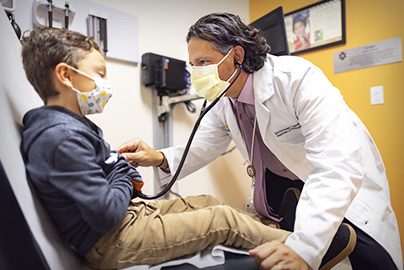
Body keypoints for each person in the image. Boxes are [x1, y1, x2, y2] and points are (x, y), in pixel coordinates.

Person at [117, 13, 403, 270]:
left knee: (370, 258)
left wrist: (305, 249)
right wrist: (160, 158)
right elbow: (205, 144)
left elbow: (336, 165)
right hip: (284, 189)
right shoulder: (224, 98)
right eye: (193, 65)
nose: (197, 73)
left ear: (237, 55)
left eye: (203, 62)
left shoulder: (296, 79)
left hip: (341, 187)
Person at [20, 27, 305, 270]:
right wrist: (121, 174)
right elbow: (107, 212)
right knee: (224, 220)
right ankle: (307, 251)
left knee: (207, 201)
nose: (105, 83)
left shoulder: (72, 125)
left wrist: (121, 170)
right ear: (66, 76)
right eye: (99, 73)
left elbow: (110, 178)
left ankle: (275, 232)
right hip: (112, 240)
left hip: (128, 218)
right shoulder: (60, 137)